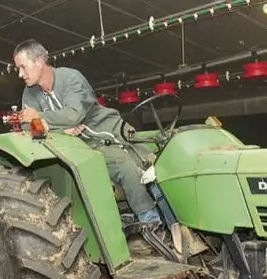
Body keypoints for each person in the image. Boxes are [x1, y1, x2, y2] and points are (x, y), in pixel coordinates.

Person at [12, 38, 161, 226]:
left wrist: (40, 117)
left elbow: (74, 114)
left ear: (40, 61)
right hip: (84, 146)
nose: (20, 74)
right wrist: (61, 130)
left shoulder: (71, 78)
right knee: (124, 167)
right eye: (18, 68)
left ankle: (156, 221)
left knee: (151, 164)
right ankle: (149, 221)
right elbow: (27, 126)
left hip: (109, 129)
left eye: (23, 67)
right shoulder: (29, 93)